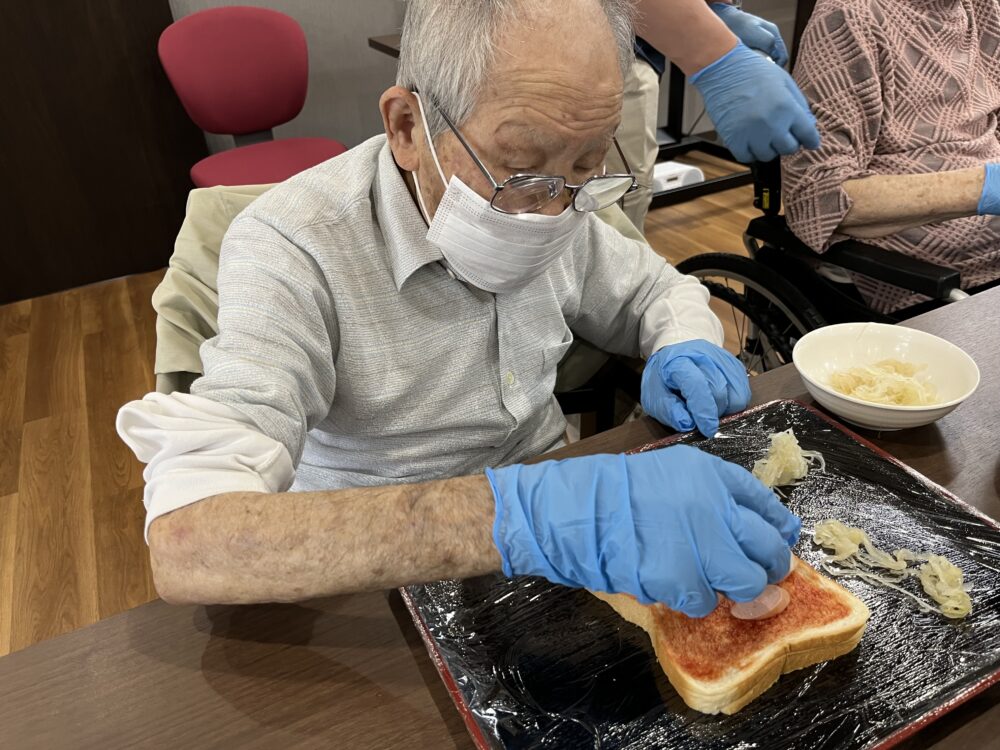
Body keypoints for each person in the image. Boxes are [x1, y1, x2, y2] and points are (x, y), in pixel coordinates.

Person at [118, 0, 799, 618]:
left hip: (562, 557)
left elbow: (658, 290)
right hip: (371, 579)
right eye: (520, 169)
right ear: (407, 126)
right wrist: (527, 517)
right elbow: (190, 541)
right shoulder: (292, 245)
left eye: (585, 170)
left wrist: (686, 342)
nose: (553, 210)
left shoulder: (560, 201)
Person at [782, 0, 1000, 313]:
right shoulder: (851, 16)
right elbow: (816, 198)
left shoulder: (982, 8)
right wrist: (983, 186)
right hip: (922, 275)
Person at [619, 4, 793, 231]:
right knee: (624, 194)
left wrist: (716, 11)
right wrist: (710, 20)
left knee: (622, 192)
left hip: (631, 39)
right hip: (615, 44)